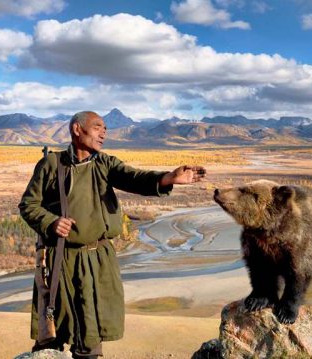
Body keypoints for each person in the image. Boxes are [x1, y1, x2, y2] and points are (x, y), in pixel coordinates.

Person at [18, 111, 206, 358]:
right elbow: (28, 205)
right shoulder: (52, 165)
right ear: (77, 129)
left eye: (105, 128)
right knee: (54, 328)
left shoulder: (106, 164)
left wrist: (167, 178)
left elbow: (134, 178)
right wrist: (51, 222)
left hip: (98, 260)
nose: (104, 133)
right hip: (61, 259)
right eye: (97, 127)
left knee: (91, 329)